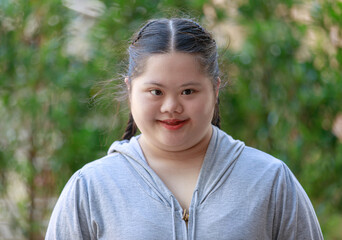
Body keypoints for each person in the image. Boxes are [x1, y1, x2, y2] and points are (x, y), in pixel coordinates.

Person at [45, 18, 323, 240]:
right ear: (130, 90)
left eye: (188, 91)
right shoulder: (91, 187)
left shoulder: (270, 181)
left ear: (215, 89)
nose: (172, 106)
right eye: (155, 91)